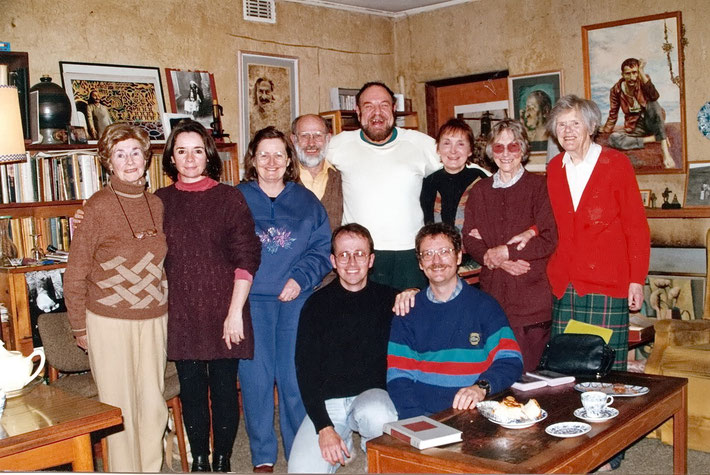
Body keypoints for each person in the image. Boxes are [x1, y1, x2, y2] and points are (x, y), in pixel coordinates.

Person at [545, 95, 650, 472]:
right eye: (561, 124)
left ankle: (609, 453)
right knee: (569, 370)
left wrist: (636, 279)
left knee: (608, 372)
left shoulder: (615, 164)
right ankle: (575, 447)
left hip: (607, 282)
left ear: (591, 126)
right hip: (567, 284)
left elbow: (636, 227)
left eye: (574, 123)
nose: (567, 131)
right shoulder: (554, 168)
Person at [156, 119, 262, 472]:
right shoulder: (159, 201)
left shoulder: (229, 198)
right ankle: (200, 460)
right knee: (192, 391)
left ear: (208, 155)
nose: (190, 158)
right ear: (171, 156)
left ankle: (223, 460)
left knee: (223, 389)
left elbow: (247, 257)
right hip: (181, 312)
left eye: (197, 150)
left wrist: (235, 313)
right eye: (182, 151)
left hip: (225, 309)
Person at [64, 123, 168, 472]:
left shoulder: (157, 204)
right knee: (118, 407)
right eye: (120, 154)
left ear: (146, 157)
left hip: (154, 318)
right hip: (108, 321)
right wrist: (79, 325)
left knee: (152, 403)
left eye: (135, 152)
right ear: (108, 162)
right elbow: (75, 271)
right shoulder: (97, 207)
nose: (129, 161)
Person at [237, 126, 332, 473]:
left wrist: (300, 278)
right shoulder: (237, 198)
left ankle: (299, 451)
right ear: (253, 159)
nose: (272, 162)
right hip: (250, 300)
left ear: (289, 159)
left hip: (295, 298)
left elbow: (322, 250)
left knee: (293, 377)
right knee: (256, 378)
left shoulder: (307, 200)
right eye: (264, 154)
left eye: (279, 154)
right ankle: (262, 454)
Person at [289, 223, 398, 473]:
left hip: (372, 397)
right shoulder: (316, 305)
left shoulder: (391, 299)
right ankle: (343, 437)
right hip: (329, 403)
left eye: (359, 253)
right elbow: (305, 371)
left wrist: (412, 293)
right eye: (343, 254)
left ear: (371, 260)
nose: (351, 262)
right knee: (300, 471)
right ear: (333, 261)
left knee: (378, 412)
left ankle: (376, 453)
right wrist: (324, 428)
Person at [386, 223, 523, 419]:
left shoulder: (485, 305)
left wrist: (481, 387)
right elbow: (399, 376)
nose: (436, 260)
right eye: (428, 254)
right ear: (420, 263)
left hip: (476, 416)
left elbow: (510, 359)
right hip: (425, 416)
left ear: (458, 256)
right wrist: (416, 422)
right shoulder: (407, 311)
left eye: (444, 251)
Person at [462, 119, 557, 372]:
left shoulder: (539, 187)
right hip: (492, 300)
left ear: (523, 150)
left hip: (531, 304)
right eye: (499, 147)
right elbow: (470, 239)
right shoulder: (480, 191)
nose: (505, 154)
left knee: (530, 379)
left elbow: (549, 237)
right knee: (496, 374)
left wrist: (508, 251)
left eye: (512, 146)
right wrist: (499, 259)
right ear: (491, 152)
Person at [326, 82, 440, 289]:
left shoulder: (420, 143)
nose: (377, 113)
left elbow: (461, 166)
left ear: (394, 109)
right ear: (358, 111)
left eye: (384, 105)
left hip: (409, 253)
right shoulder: (339, 145)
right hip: (360, 256)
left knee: (409, 317)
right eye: (369, 106)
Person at [599, 58, 674, 168]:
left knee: (653, 103)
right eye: (628, 74)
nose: (632, 77)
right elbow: (613, 112)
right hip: (634, 125)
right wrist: (607, 129)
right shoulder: (616, 90)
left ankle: (664, 150)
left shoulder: (643, 80)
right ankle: (654, 138)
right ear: (623, 74)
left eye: (634, 72)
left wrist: (641, 72)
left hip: (651, 121)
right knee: (613, 138)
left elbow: (654, 96)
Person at [420, 118, 489, 230]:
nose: (453, 150)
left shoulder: (480, 180)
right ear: (438, 148)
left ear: (470, 150)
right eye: (447, 143)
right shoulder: (429, 182)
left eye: (460, 144)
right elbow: (428, 225)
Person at [290, 114, 343, 231]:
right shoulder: (283, 179)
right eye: (304, 136)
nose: (311, 143)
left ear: (328, 139)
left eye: (318, 136)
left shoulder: (343, 177)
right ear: (294, 140)